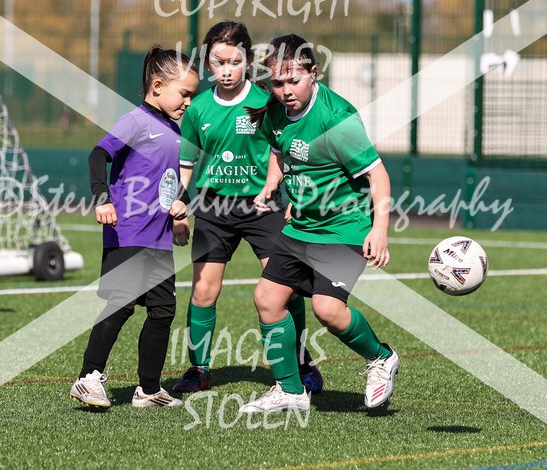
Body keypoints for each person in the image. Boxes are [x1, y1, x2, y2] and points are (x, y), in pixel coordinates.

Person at [237, 34, 399, 414]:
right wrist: (271, 186)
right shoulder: (275, 110)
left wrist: (379, 230)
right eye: (277, 83)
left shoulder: (336, 120)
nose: (285, 90)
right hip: (301, 227)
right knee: (267, 300)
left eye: (294, 81)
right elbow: (280, 151)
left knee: (328, 311)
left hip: (345, 227)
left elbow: (378, 176)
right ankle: (290, 390)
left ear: (314, 73)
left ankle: (381, 358)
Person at [171, 21, 323, 394]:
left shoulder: (264, 102)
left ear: (248, 61)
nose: (227, 70)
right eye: (219, 62)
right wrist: (179, 207)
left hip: (262, 207)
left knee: (283, 287)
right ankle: (199, 369)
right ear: (208, 64)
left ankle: (301, 363)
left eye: (235, 62)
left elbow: (281, 151)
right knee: (203, 291)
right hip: (212, 210)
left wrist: (287, 195)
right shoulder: (197, 109)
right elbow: (186, 166)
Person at [69, 46, 199, 409]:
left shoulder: (174, 131)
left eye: (192, 95)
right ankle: (88, 377)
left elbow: (170, 181)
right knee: (121, 304)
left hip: (158, 240)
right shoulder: (136, 121)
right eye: (184, 93)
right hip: (127, 232)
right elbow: (98, 155)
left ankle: (149, 389)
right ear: (157, 86)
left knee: (162, 311)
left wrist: (180, 210)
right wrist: (103, 198)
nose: (188, 101)